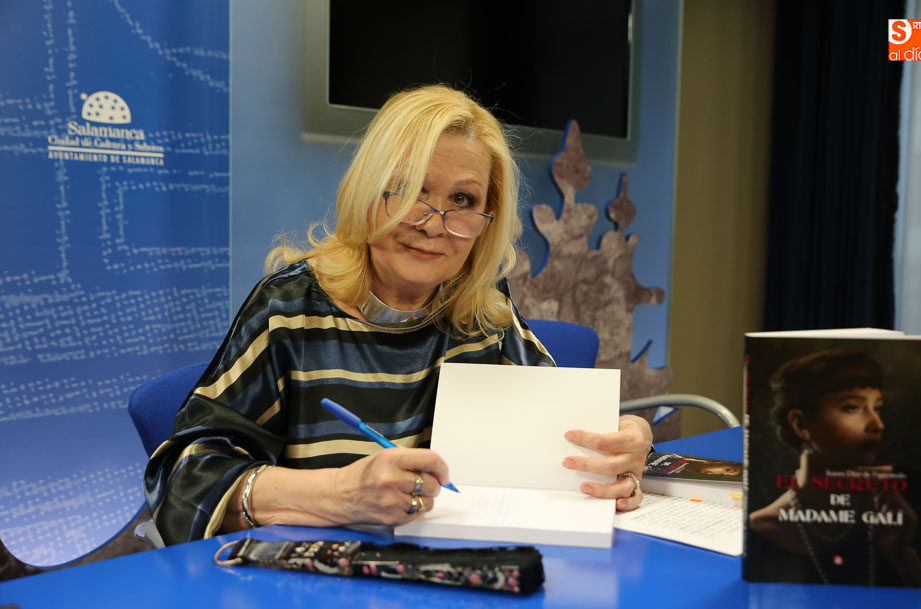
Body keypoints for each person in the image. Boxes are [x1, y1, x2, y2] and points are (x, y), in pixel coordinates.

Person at [144, 85, 653, 546]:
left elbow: (565, 439)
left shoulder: (482, 307)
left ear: (486, 219)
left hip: (452, 581)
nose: (435, 223)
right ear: (370, 191)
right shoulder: (290, 307)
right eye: (410, 190)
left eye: (462, 199)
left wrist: (623, 444)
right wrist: (339, 492)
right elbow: (180, 483)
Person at [747, 349, 921, 587]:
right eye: (852, 407)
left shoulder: (913, 490)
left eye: (877, 408)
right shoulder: (761, 529)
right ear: (801, 424)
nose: (877, 424)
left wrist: (902, 555)